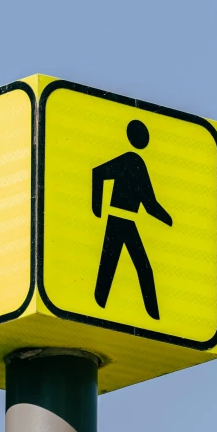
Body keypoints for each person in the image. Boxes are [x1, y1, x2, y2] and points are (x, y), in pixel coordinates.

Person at [91, 118, 172, 317]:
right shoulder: (130, 160)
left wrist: (169, 219)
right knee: (113, 267)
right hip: (117, 220)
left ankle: (153, 315)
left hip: (126, 221)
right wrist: (97, 208)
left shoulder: (137, 163)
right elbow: (98, 173)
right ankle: (99, 307)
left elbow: (149, 204)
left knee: (136, 268)